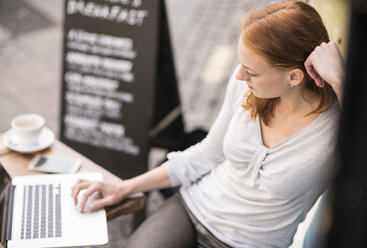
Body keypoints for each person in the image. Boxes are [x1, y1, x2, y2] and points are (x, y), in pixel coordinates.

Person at [71, 1, 345, 247]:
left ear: (294, 77)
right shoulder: (246, 90)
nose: (239, 75)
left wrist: (342, 80)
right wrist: (125, 187)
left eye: (251, 72)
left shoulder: (337, 128)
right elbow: (206, 154)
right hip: (193, 208)